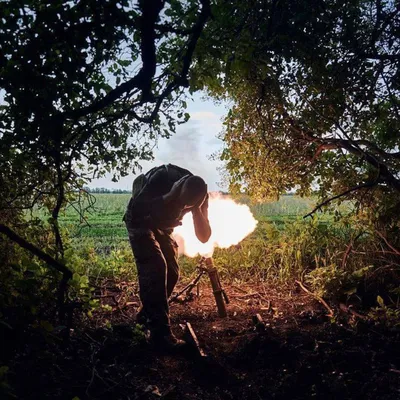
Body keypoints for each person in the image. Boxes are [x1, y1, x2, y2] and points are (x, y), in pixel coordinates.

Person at [124, 164, 211, 350]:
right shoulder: (162, 177)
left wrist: (197, 211)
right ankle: (161, 336)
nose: (182, 208)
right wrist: (169, 197)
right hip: (139, 222)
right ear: (179, 186)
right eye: (182, 203)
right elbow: (138, 208)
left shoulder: (201, 197)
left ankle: (145, 318)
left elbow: (204, 237)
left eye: (187, 206)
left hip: (162, 227)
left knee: (172, 272)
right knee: (156, 266)